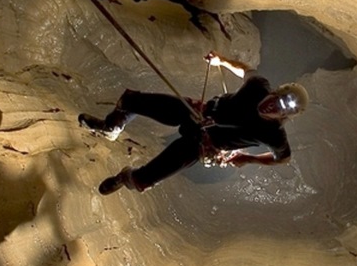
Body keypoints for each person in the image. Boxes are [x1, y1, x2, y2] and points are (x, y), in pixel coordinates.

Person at [79, 52, 309, 195]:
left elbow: (284, 158)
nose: (273, 106)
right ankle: (111, 128)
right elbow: (246, 71)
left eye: (280, 109)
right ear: (276, 91)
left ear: (284, 116)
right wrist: (222, 60)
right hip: (196, 113)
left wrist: (248, 158)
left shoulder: (274, 134)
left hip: (203, 143)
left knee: (144, 179)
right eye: (277, 99)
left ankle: (123, 178)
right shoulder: (258, 87)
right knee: (131, 100)